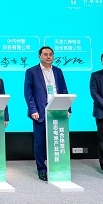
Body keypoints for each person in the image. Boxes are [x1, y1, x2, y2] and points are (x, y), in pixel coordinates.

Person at [24, 46, 69, 181]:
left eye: (50, 54)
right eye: (45, 54)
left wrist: (67, 108)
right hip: (40, 112)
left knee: (57, 140)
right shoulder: (31, 71)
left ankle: (57, 167)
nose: (48, 57)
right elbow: (28, 93)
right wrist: (33, 110)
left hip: (58, 111)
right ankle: (42, 169)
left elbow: (64, 90)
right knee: (40, 143)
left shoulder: (58, 71)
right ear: (39, 56)